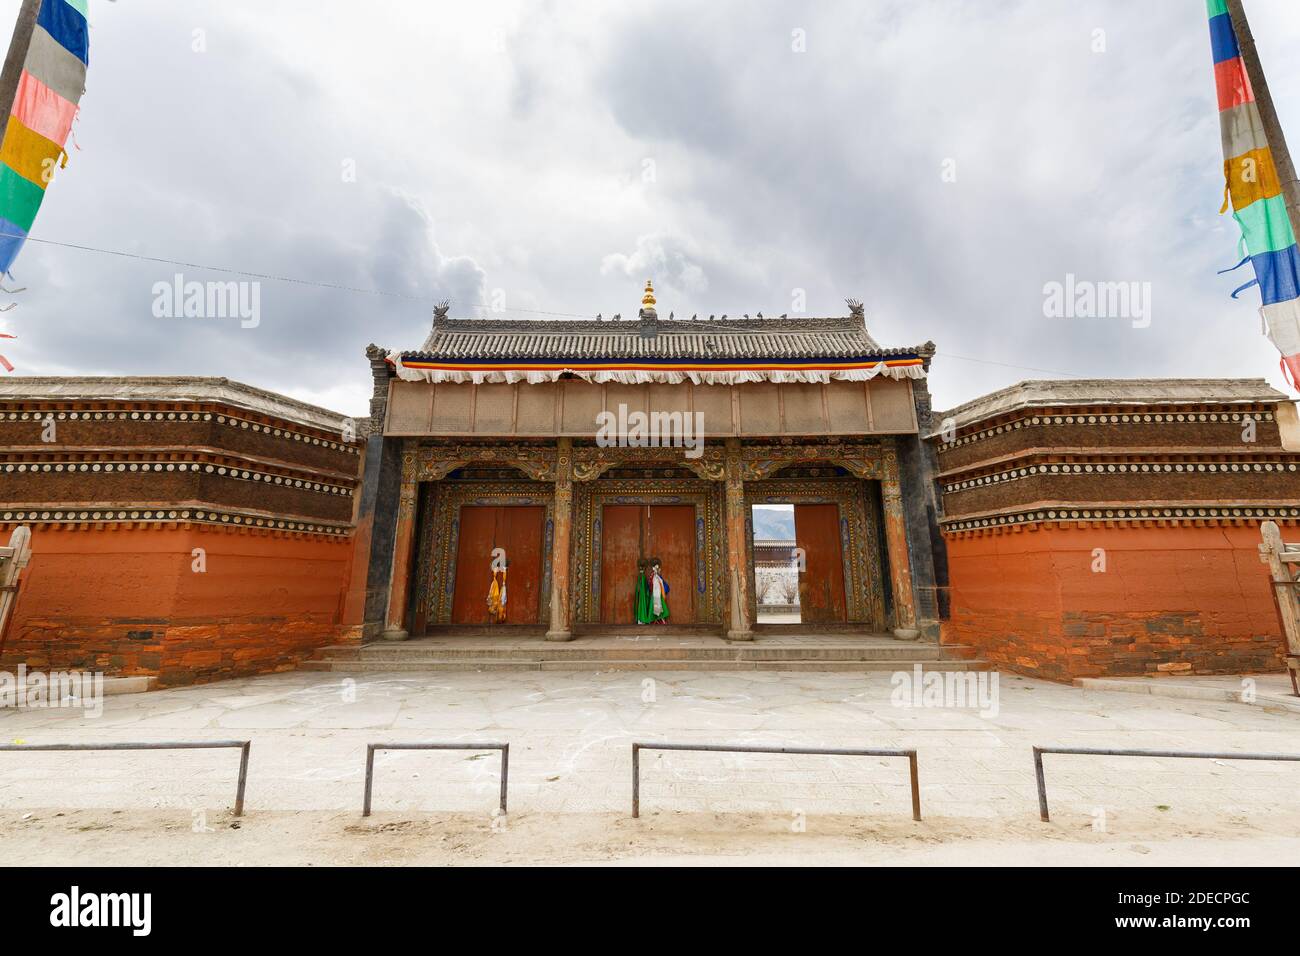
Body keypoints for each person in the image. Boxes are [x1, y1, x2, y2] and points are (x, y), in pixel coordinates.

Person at [647, 556, 670, 624]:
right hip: (655, 594)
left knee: (660, 606)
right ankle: (654, 620)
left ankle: (660, 619)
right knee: (654, 606)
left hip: (658, 594)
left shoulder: (658, 577)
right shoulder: (653, 576)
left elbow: (661, 584)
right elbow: (650, 584)